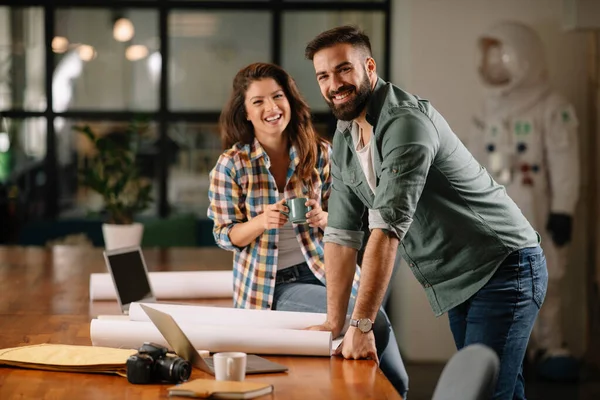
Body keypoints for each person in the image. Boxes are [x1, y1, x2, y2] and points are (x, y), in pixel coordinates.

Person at [304, 26, 548, 400]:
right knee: (499, 389)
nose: (334, 84)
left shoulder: (405, 123)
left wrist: (362, 324)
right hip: (460, 280)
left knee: (482, 392)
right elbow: (339, 233)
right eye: (323, 75)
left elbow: (385, 229)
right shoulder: (345, 136)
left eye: (343, 69)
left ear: (369, 66)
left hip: (503, 266)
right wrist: (333, 325)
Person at [206, 62, 408, 397]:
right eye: (258, 102)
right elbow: (224, 235)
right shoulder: (231, 165)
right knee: (372, 320)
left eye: (277, 96)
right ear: (245, 113)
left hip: (328, 270)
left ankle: (391, 391)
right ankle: (396, 392)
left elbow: (357, 219)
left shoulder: (321, 153)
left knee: (371, 320)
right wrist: (260, 222)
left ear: (290, 100)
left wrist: (326, 218)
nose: (271, 108)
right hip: (273, 289)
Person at [471, 21, 580, 382]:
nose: (496, 64)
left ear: (523, 57)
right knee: (499, 284)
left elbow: (565, 162)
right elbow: (472, 159)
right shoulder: (488, 108)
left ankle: (551, 346)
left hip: (538, 208)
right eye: (492, 57)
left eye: (503, 56)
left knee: (546, 279)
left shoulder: (552, 106)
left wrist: (564, 208)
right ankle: (514, 350)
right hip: (494, 213)